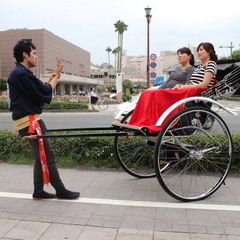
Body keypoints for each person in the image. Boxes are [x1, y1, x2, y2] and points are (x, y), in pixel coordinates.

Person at [7, 39, 80, 200]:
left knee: (40, 156)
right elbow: (45, 91)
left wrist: (55, 76)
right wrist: (56, 76)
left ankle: (38, 191)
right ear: (24, 55)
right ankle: (60, 190)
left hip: (28, 120)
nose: (36, 57)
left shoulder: (20, 73)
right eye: (34, 53)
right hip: (30, 122)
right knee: (48, 155)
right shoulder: (21, 74)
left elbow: (41, 91)